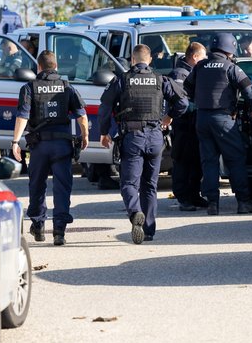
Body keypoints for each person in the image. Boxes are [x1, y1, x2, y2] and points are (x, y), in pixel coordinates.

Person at [99, 44, 187, 244]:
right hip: (156, 137)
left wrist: (105, 132)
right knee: (150, 186)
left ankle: (135, 212)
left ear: (132, 60)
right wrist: (168, 117)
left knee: (129, 183)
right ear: (150, 61)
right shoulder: (161, 80)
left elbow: (105, 107)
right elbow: (182, 102)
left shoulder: (122, 80)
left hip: (132, 137)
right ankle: (148, 230)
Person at [12, 50, 89, 246]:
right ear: (56, 67)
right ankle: (59, 231)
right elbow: (81, 115)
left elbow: (23, 116)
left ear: (38, 67)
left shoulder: (29, 88)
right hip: (62, 146)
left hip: (39, 146)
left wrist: (15, 142)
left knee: (37, 185)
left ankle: (38, 226)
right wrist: (85, 135)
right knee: (62, 187)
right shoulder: (67, 87)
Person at [184, 32, 252, 215]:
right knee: (235, 159)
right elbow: (250, 91)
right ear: (230, 47)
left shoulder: (200, 66)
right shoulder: (231, 68)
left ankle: (212, 204)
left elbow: (187, 88)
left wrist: (199, 101)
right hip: (224, 120)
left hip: (202, 120)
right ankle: (243, 202)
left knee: (209, 162)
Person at [167, 42, 208, 211]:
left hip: (194, 124)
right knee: (183, 162)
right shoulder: (179, 74)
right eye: (204, 57)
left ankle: (194, 195)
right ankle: (183, 197)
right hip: (183, 124)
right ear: (195, 57)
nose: (206, 60)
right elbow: (179, 101)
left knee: (195, 162)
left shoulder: (194, 72)